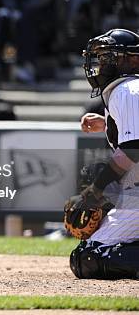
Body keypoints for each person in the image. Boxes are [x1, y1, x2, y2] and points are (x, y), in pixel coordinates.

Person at [71, 28, 139, 279]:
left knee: (88, 259)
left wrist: (96, 189)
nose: (100, 64)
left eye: (108, 57)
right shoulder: (131, 90)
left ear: (132, 60)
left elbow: (134, 148)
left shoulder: (128, 89)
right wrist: (108, 123)